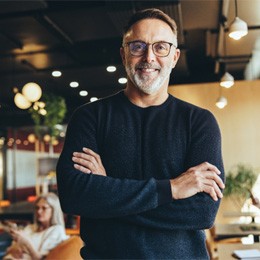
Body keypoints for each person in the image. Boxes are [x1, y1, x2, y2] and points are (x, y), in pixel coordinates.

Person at [56, 8, 225, 259]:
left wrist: (107, 190)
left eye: (161, 47)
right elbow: (74, 197)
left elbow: (202, 213)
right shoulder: (89, 117)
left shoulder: (199, 122)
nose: (149, 57)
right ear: (123, 54)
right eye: (137, 46)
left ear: (175, 56)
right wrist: (172, 189)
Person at [4, 193, 68, 260]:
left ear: (54, 210)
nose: (39, 211)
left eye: (44, 208)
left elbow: (40, 258)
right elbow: (8, 250)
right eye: (37, 208)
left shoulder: (56, 230)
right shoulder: (30, 227)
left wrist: (26, 243)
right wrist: (12, 249)